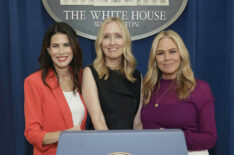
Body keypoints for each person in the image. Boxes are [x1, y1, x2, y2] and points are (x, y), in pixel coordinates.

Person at [140, 30, 217, 155]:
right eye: (160, 53)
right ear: (154, 59)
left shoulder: (199, 88)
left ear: (181, 55)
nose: (167, 58)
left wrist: (173, 138)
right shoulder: (146, 88)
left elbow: (210, 138)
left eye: (172, 51)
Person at [24, 22, 87, 155]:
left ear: (73, 48)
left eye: (66, 45)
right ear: (48, 50)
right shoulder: (34, 82)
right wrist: (63, 135)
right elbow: (32, 133)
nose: (61, 51)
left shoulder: (82, 77)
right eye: (55, 46)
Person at [82, 17, 142, 130]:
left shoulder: (137, 76)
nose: (112, 42)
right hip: (102, 144)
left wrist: (134, 147)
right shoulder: (90, 73)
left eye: (118, 36)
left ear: (126, 41)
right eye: (106, 37)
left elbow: (137, 123)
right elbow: (98, 121)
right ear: (100, 42)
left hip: (130, 145)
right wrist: (114, 147)